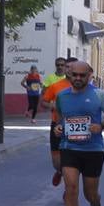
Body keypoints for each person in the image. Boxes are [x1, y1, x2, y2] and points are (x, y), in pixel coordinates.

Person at [51, 60, 104, 206]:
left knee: (89, 192)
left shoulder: (98, 95)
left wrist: (101, 126)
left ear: (89, 75)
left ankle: (96, 203)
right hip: (69, 148)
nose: (78, 79)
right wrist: (59, 129)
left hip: (92, 150)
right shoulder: (62, 96)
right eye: (74, 75)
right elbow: (60, 120)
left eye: (82, 75)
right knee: (70, 188)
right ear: (69, 75)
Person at [40, 57, 73, 186]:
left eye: (64, 65)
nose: (64, 68)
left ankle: (69, 189)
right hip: (57, 124)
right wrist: (51, 106)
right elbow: (43, 102)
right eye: (60, 65)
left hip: (73, 126)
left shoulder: (80, 86)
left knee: (71, 160)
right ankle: (59, 171)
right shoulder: (55, 86)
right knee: (57, 162)